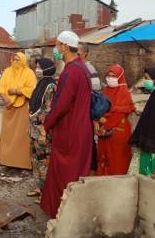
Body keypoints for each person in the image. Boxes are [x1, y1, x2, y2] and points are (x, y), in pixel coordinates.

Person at [41, 30, 93, 218]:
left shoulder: (71, 72)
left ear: (64, 47)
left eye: (57, 45)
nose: (55, 49)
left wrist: (47, 123)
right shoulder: (82, 68)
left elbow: (61, 105)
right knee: (77, 173)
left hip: (70, 132)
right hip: (82, 129)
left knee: (65, 175)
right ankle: (75, 214)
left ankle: (63, 214)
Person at [0, 52, 36, 169]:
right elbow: (1, 87)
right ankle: (6, 161)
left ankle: (21, 163)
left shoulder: (29, 73)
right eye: (14, 59)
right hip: (8, 107)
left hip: (22, 108)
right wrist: (5, 99)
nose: (16, 62)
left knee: (21, 136)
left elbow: (31, 89)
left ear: (23, 61)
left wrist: (16, 91)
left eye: (18, 60)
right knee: (7, 135)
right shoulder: (7, 71)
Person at [96, 64, 135, 176]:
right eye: (108, 75)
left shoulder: (124, 93)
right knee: (103, 156)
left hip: (118, 131)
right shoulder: (105, 91)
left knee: (116, 159)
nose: (110, 78)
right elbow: (98, 109)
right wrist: (97, 123)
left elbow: (120, 113)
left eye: (114, 76)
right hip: (103, 131)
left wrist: (106, 126)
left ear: (120, 77)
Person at [26, 58, 56, 201]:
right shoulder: (40, 83)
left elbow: (48, 109)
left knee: (44, 161)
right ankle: (38, 187)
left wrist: (42, 130)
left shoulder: (51, 86)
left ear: (47, 68)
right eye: (36, 67)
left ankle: (46, 193)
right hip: (33, 129)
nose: (37, 69)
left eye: (39, 67)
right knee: (35, 160)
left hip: (42, 131)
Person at [77, 42, 100, 175]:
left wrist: (95, 118)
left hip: (88, 114)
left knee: (89, 144)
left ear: (85, 53)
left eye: (78, 52)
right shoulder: (78, 67)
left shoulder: (89, 69)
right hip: (81, 114)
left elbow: (96, 94)